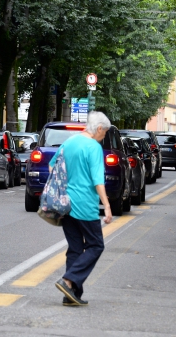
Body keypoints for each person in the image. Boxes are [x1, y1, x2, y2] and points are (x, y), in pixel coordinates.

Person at [51, 111, 113, 306]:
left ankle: (70, 295)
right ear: (99, 129)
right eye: (105, 133)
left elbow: (53, 166)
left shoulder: (69, 142)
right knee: (96, 245)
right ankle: (68, 280)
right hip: (85, 205)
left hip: (66, 204)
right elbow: (98, 180)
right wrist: (107, 206)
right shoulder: (93, 147)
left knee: (76, 248)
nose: (104, 137)